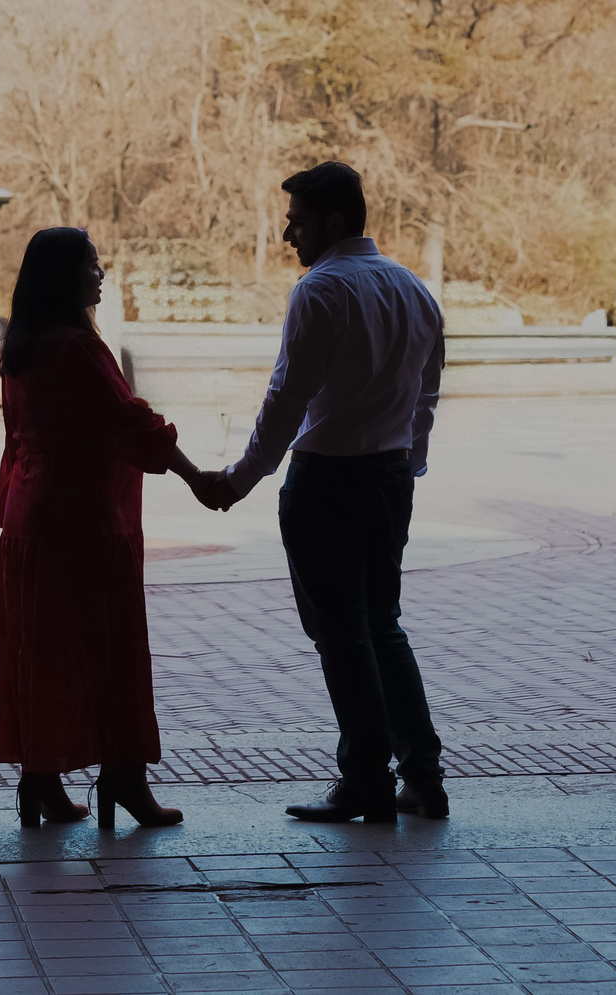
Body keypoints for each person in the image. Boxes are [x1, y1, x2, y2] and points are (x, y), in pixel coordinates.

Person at [193, 161, 450, 822]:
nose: (287, 234)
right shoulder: (414, 289)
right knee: (382, 624)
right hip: (388, 476)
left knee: (341, 634)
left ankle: (365, 778)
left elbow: (287, 398)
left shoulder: (321, 290)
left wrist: (241, 478)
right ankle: (422, 773)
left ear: (332, 221)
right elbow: (426, 392)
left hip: (327, 479)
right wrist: (407, 462)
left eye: (297, 221)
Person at [0, 225, 220, 829]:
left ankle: (40, 779)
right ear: (66, 276)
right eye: (92, 264)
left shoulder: (20, 348)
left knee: (42, 650)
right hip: (85, 517)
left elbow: (17, 438)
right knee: (107, 648)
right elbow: (131, 425)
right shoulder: (79, 349)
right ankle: (123, 777)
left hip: (30, 517)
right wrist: (198, 478)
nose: (101, 272)